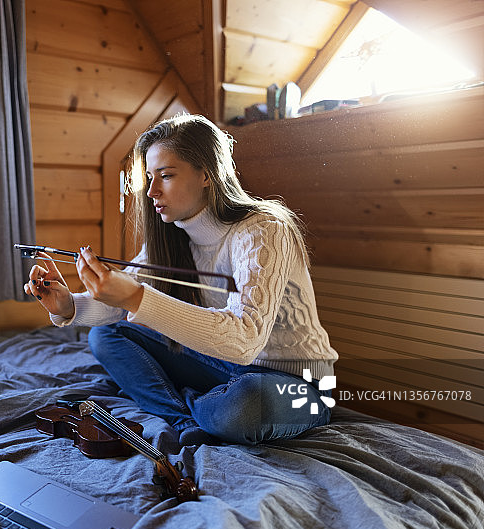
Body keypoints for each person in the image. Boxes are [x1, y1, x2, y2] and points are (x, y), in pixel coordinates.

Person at [24, 113, 338, 446]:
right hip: (221, 364)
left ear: (206, 174)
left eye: (166, 175)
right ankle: (186, 418)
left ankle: (197, 403)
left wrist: (135, 298)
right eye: (148, 177)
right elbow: (118, 305)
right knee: (105, 335)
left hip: (296, 381)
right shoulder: (172, 234)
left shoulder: (263, 230)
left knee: (246, 406)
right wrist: (68, 305)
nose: (152, 190)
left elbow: (245, 341)